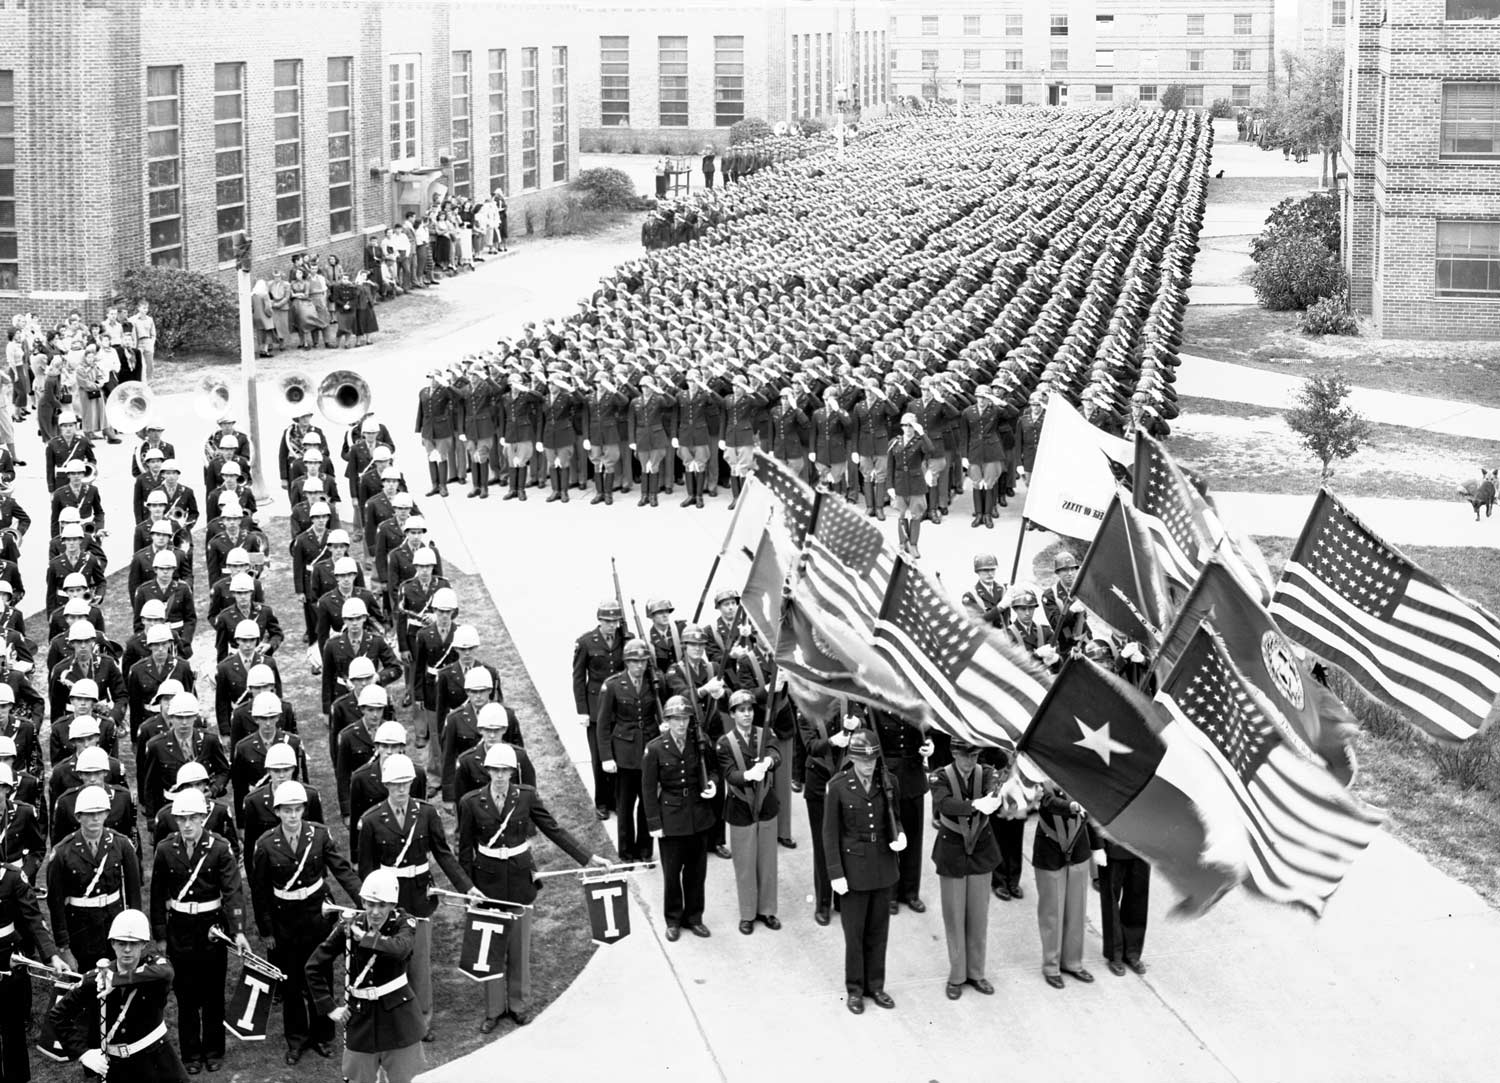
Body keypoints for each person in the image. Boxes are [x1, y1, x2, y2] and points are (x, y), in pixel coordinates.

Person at [457, 743, 609, 1030]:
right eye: (495, 770)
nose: (500, 775)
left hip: (519, 879)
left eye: (505, 770)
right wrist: (468, 889)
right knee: (491, 949)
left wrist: (588, 857)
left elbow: (553, 829)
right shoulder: (471, 802)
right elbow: (464, 849)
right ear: (487, 771)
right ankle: (493, 1010)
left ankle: (518, 1004)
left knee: (519, 947)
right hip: (486, 881)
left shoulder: (525, 797)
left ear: (513, 772)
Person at [355, 753, 475, 1039]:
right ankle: (394, 1020)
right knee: (390, 962)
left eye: (405, 783)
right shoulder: (371, 820)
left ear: (412, 782)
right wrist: (371, 906)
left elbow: (443, 854)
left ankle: (422, 1022)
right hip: (388, 901)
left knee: (419, 965)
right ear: (386, 785)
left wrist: (466, 887)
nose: (400, 789)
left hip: (419, 898)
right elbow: (368, 869)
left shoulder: (426, 813)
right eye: (395, 784)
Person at [249, 780, 362, 1066]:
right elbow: (259, 891)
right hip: (285, 920)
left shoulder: (319, 835)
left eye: (297, 809)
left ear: (303, 809)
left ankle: (324, 1036)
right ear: (278, 812)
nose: (292, 815)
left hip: (318, 917)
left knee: (321, 976)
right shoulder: (265, 844)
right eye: (286, 810)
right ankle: (297, 1040)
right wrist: (266, 931)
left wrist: (364, 901)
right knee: (291, 983)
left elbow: (342, 870)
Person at [149, 787, 249, 1074]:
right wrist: (160, 937)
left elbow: (233, 892)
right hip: (179, 928)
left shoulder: (219, 848)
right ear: (175, 821)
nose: (188, 824)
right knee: (186, 995)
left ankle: (214, 1049)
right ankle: (191, 1053)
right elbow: (157, 896)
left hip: (212, 928)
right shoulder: (166, 850)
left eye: (193, 818)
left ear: (204, 818)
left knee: (214, 994)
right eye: (182, 819)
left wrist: (239, 930)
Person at [306, 869, 425, 1083]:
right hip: (361, 1019)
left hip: (398, 1017)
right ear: (362, 901)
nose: (376, 912)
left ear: (392, 905)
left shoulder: (405, 923)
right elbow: (313, 966)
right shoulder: (349, 926)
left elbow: (400, 949)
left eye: (382, 905)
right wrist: (330, 1007)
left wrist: (365, 937)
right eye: (370, 904)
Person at [46, 909, 189, 1082]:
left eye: (134, 943)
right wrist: (83, 1053)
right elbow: (57, 1015)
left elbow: (166, 973)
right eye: (121, 943)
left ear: (144, 944)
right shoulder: (96, 979)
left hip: (156, 1061)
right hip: (117, 1068)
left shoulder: (155, 968)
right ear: (112, 943)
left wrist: (116, 979)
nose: (127, 950)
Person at [824, 731, 904, 1015]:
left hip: (883, 866)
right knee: (854, 935)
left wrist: (901, 835)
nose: (868, 764)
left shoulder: (888, 782)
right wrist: (836, 873)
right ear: (852, 759)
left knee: (878, 932)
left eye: (872, 758)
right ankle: (855, 989)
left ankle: (876, 985)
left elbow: (896, 816)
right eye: (862, 759)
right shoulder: (839, 786)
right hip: (853, 870)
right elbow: (830, 834)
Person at [929, 737, 1003, 1000]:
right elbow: (943, 804)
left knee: (978, 916)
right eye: (964, 756)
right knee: (954, 915)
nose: (969, 762)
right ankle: (957, 975)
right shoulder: (940, 776)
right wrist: (974, 805)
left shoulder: (986, 773)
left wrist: (997, 796)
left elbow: (996, 787)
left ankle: (977, 973)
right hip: (952, 851)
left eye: (973, 756)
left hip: (981, 850)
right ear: (954, 754)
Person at [642, 696, 717, 942]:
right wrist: (654, 823)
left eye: (685, 719)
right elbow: (648, 788)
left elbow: (713, 769)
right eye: (676, 719)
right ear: (668, 721)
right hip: (671, 818)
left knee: (697, 873)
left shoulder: (700, 743)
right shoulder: (655, 748)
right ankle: (673, 920)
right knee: (672, 874)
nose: (681, 724)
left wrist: (714, 784)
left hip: (698, 815)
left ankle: (694, 917)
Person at [0, 834, 66, 1083]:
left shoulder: (12, 878)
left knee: (12, 1028)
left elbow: (34, 920)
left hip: (7, 957)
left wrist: (52, 956)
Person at [716, 690, 781, 936]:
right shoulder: (725, 743)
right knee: (744, 864)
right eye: (741, 710)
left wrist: (769, 763)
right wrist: (747, 776)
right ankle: (747, 914)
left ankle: (767, 910)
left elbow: (777, 754)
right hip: (741, 806)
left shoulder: (766, 734)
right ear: (732, 714)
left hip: (766, 805)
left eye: (750, 709)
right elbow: (729, 773)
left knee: (767, 861)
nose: (747, 714)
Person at [596, 640, 659, 862]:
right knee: (625, 807)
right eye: (634, 661)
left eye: (642, 661)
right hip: (624, 754)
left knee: (647, 804)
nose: (639, 666)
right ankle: (626, 852)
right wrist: (606, 756)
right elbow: (603, 725)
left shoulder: (654, 682)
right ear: (626, 662)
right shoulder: (613, 685)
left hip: (649, 751)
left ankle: (644, 850)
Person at [1034, 783, 1098, 989]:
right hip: (1050, 848)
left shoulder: (1080, 774)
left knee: (1076, 909)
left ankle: (1073, 962)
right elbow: (1048, 801)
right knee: (1052, 910)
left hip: (1078, 847)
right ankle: (1051, 966)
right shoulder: (1039, 772)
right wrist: (1072, 805)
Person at [572, 600, 627, 821]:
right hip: (596, 707)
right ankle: (602, 802)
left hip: (618, 706)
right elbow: (578, 678)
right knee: (598, 757)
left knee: (617, 754)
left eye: (615, 621)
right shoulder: (586, 642)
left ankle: (615, 799)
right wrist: (582, 710)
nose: (612, 625)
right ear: (599, 620)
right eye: (607, 621)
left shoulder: (625, 639)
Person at [1097, 837, 1150, 977]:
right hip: (1113, 846)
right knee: (1111, 901)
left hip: (1142, 846)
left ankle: (1132, 952)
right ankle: (1115, 954)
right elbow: (1096, 815)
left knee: (1138, 899)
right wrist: (1098, 846)